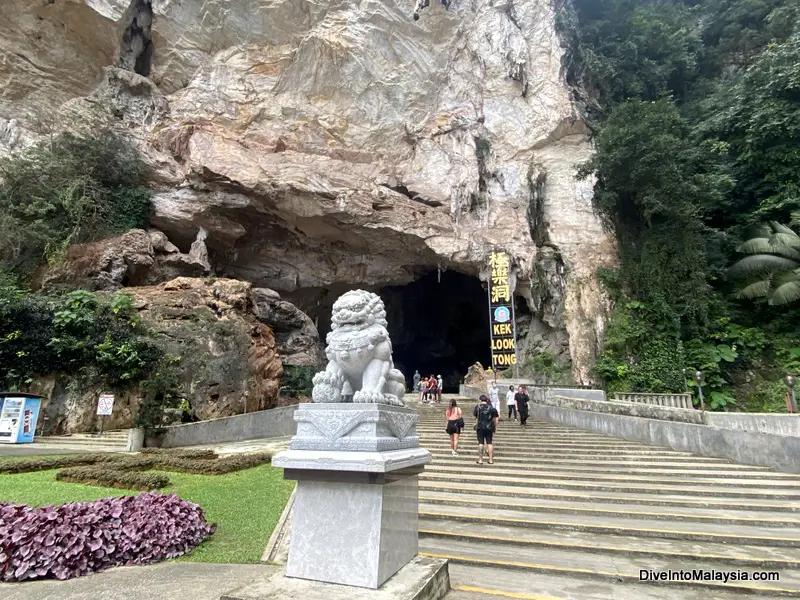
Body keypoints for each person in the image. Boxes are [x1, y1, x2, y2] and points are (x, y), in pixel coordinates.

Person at [473, 394, 499, 464]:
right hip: (489, 427)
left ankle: (480, 460)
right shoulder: (492, 408)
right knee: (489, 443)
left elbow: (475, 417)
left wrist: (475, 424)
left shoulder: (477, 407)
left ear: (480, 400)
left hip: (480, 427)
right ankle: (491, 460)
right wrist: (495, 426)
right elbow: (495, 418)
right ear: (487, 400)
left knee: (481, 443)